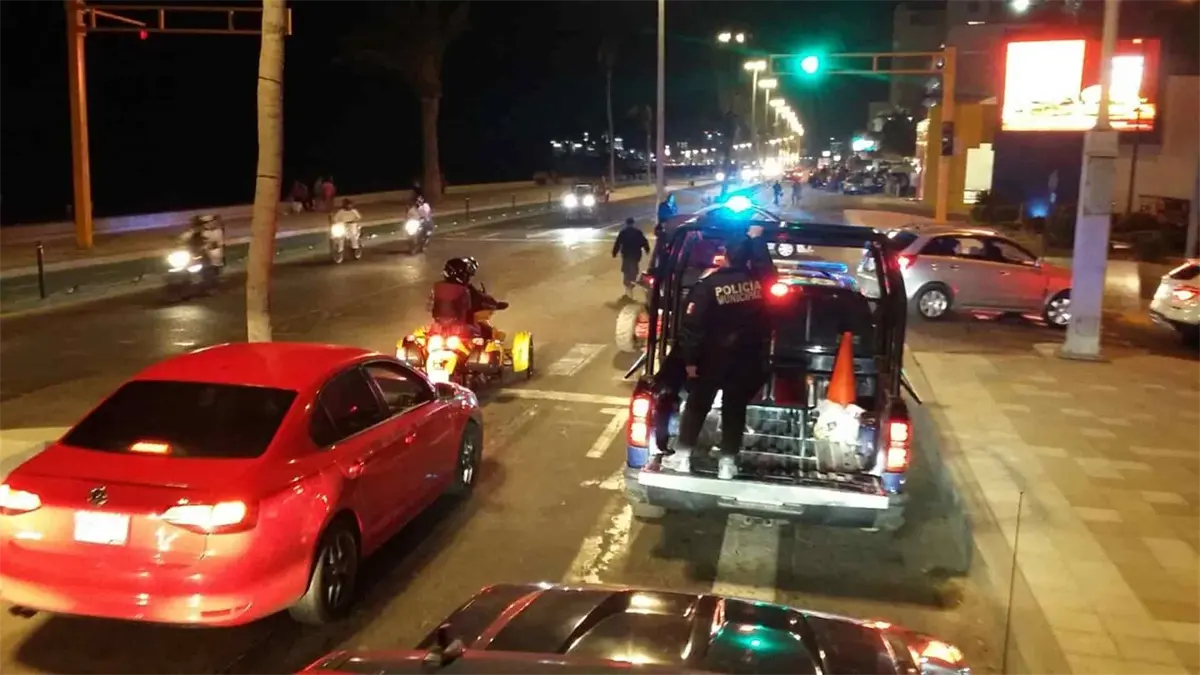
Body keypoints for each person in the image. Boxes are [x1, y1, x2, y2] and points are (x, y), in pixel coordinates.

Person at [662, 228, 775, 480]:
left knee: (698, 405)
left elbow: (692, 327)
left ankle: (682, 456)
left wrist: (690, 361)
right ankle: (727, 462)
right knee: (734, 408)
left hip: (711, 358)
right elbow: (768, 271)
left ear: (726, 256)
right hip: (746, 358)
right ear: (747, 258)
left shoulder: (708, 286)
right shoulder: (759, 283)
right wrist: (757, 240)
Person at [429, 257, 507, 341]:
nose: (467, 277)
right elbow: (482, 299)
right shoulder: (466, 289)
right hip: (463, 330)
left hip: (439, 329)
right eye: (466, 275)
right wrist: (496, 305)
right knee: (490, 334)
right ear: (462, 275)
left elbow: (429, 306)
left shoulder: (437, 288)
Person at [612, 217, 651, 298]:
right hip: (635, 255)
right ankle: (631, 285)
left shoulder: (623, 232)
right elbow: (644, 241)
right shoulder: (638, 232)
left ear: (626, 223)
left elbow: (618, 243)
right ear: (633, 223)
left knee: (626, 271)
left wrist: (614, 252)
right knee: (634, 271)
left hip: (626, 255)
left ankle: (627, 287)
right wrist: (647, 249)